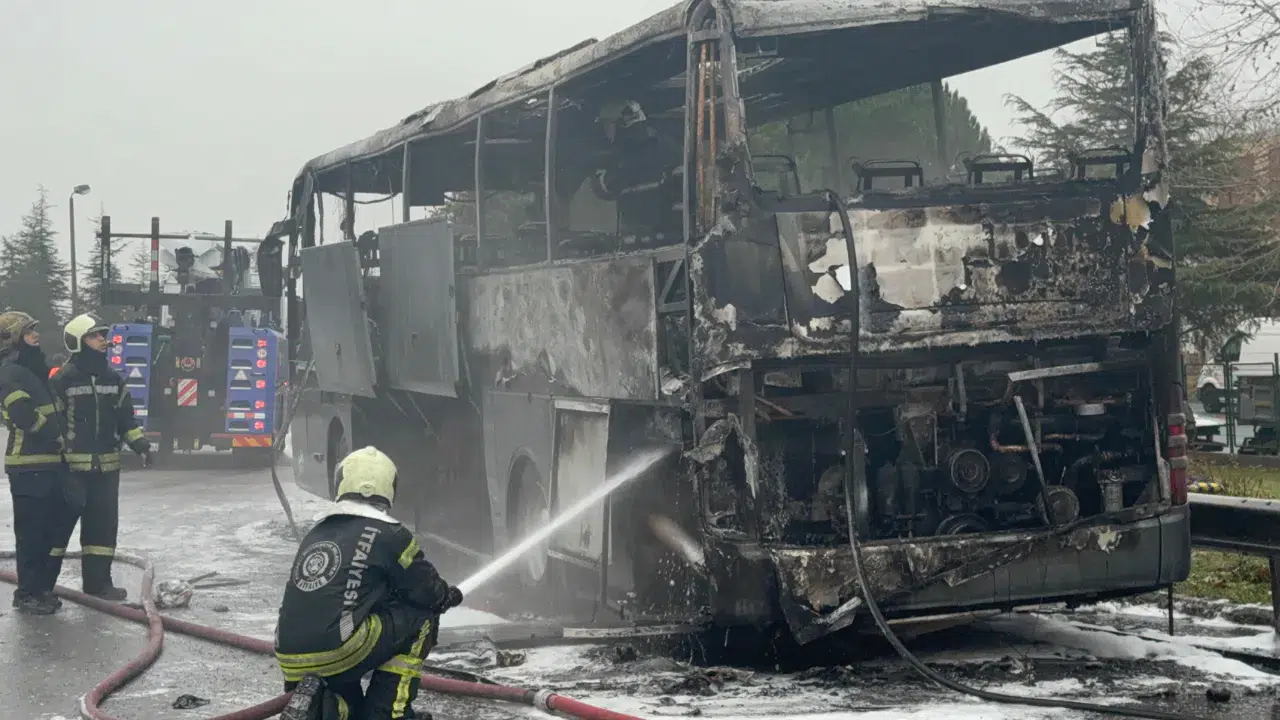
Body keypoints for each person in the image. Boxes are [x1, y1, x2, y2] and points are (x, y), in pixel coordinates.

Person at [275, 446, 463, 720]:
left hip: (289, 655)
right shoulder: (391, 534)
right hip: (339, 650)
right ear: (389, 487)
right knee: (422, 619)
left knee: (353, 638)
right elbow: (426, 591)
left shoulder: (319, 530)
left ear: (341, 483)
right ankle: (388, 713)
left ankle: (326, 707)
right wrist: (446, 596)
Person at [48, 313, 153, 601]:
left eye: (102, 335)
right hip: (71, 471)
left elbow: (126, 421)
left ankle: (98, 584)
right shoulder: (62, 380)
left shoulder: (113, 379)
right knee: (58, 531)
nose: (103, 341)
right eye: (95, 336)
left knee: (101, 531)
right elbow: (52, 423)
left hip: (106, 470)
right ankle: (43, 587)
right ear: (79, 342)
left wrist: (140, 445)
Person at [0, 311, 71, 615]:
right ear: (15, 338)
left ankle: (41, 590)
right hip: (28, 466)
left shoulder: (33, 370)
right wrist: (54, 434)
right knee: (30, 534)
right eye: (30, 332)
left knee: (46, 532)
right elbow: (23, 415)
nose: (36, 336)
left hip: (49, 464)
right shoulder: (11, 372)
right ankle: (27, 594)